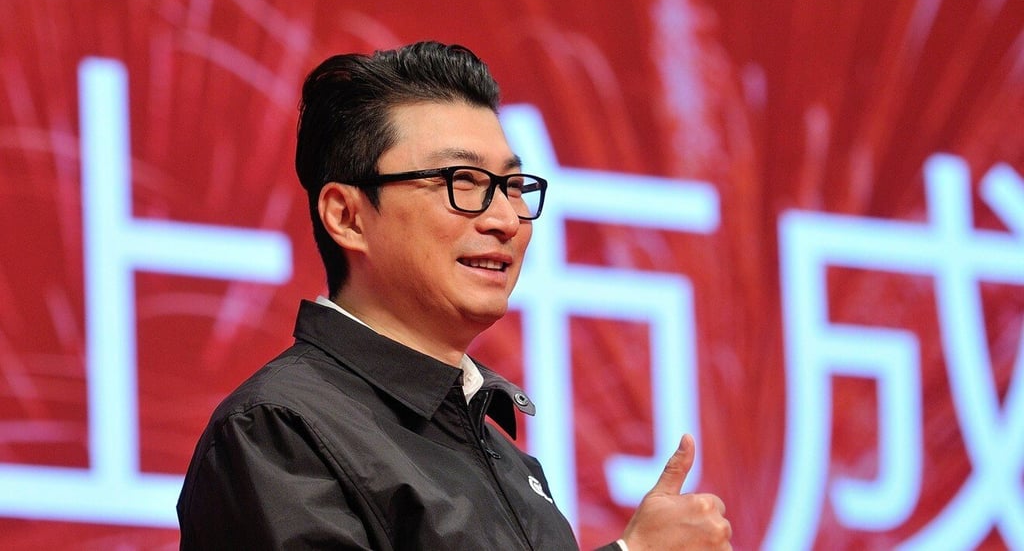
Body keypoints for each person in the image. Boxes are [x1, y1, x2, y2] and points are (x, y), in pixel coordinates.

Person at [176, 41, 731, 550]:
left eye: (513, 186)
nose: (505, 219)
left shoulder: (508, 461)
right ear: (347, 216)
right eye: (462, 182)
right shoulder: (278, 430)